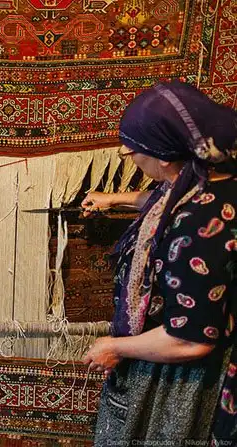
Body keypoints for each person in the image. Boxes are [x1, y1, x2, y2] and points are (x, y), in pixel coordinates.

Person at [80, 81, 237, 444]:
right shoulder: (215, 175)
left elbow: (189, 340)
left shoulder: (198, 230)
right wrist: (113, 198)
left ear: (164, 157)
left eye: (130, 151)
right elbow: (168, 196)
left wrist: (113, 347)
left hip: (188, 378)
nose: (129, 156)